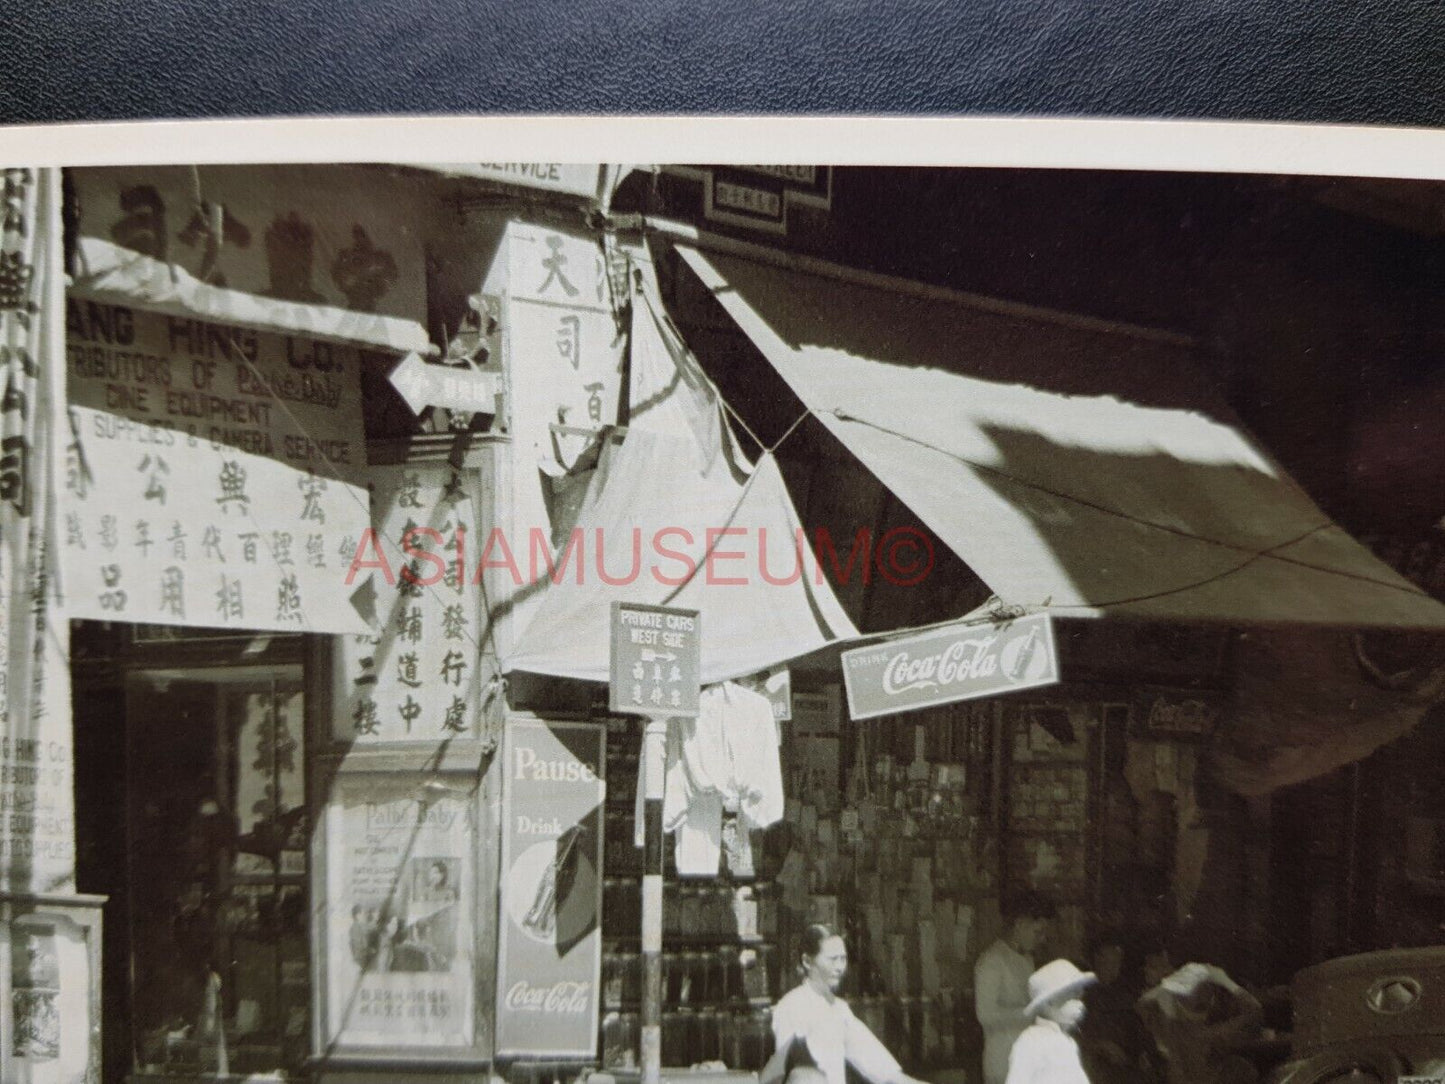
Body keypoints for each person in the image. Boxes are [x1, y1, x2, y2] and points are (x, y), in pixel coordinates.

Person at [762, 924, 927, 1084]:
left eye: (843, 959)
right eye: (833, 959)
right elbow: (788, 1075)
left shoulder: (840, 1009)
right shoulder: (792, 1007)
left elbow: (880, 1068)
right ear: (807, 961)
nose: (840, 967)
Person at [1137, 961, 1264, 1084]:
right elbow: (1255, 1011)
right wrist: (1225, 981)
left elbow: (1143, 1003)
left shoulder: (1165, 1030)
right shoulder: (1208, 1036)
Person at [974, 894, 1056, 1084]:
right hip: (1002, 1063)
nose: (1042, 939)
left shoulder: (1026, 959)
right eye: (1038, 932)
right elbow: (985, 1016)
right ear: (1019, 924)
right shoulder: (992, 961)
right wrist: (1032, 1010)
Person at [1004, 958, 1097, 1084]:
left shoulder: (1066, 1042)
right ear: (1048, 1002)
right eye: (1072, 994)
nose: (1079, 1002)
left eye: (1080, 994)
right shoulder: (1031, 1041)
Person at [1078, 936, 1147, 1084]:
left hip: (1124, 1065)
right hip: (1096, 1063)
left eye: (1118, 962)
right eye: (1111, 962)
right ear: (1097, 959)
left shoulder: (1122, 993)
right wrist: (1101, 1046)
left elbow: (1136, 1029)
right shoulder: (1083, 992)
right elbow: (1077, 1035)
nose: (1115, 967)